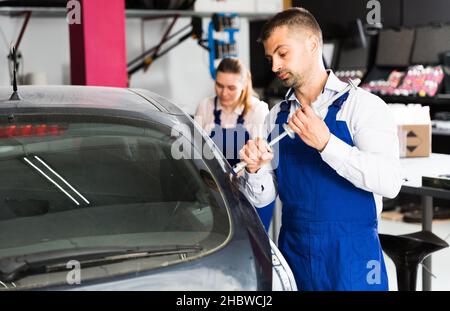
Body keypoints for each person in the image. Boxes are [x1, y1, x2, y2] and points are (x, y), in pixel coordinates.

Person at [238, 8, 403, 290]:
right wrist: (255, 171)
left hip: (352, 260)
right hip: (295, 254)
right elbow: (265, 199)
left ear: (313, 45)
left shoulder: (362, 107)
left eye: (283, 53)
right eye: (270, 58)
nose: (275, 66)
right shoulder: (275, 118)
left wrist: (327, 144)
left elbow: (389, 183)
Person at [194, 57, 274, 231]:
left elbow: (261, 158)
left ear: (244, 86)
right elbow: (195, 152)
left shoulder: (257, 110)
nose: (223, 93)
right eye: (219, 85)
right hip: (216, 193)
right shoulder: (205, 107)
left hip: (250, 193)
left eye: (231, 88)